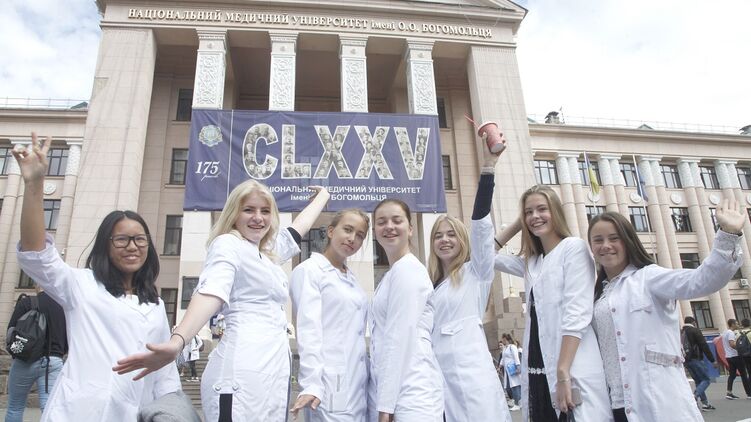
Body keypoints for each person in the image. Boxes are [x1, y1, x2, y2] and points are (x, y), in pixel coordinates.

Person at [114, 180, 330, 421]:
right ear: (234, 213)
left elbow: (297, 229)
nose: (258, 218)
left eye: (265, 211)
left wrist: (324, 196)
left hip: (272, 373)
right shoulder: (228, 244)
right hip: (240, 374)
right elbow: (212, 292)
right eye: (248, 210)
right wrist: (178, 341)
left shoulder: (266, 252)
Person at [13, 133, 181, 421]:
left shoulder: (154, 304)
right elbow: (36, 254)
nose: (132, 247)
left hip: (133, 413)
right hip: (80, 412)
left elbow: (164, 375)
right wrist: (34, 185)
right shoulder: (82, 285)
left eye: (140, 239)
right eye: (122, 240)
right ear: (106, 245)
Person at [587, 205, 745, 421]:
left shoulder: (649, 278)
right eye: (598, 240)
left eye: (614, 238)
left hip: (658, 401)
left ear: (628, 241)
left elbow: (701, 280)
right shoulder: (598, 294)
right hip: (615, 404)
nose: (606, 246)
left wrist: (728, 234)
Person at [494, 185, 611, 422]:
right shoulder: (532, 262)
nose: (535, 216)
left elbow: (577, 314)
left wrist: (563, 371)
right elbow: (484, 257)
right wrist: (519, 223)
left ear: (555, 211)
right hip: (537, 368)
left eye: (542, 209)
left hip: (570, 366)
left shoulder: (574, 248)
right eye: (529, 212)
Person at [427, 135, 510, 422]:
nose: (445, 240)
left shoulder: (476, 272)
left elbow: (482, 228)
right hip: (439, 384)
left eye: (451, 234)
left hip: (472, 383)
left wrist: (488, 167)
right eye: (438, 236)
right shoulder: (430, 285)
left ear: (463, 239)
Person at [289, 209, 371, 421]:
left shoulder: (351, 278)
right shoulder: (309, 271)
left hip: (358, 384)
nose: (352, 239)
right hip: (329, 385)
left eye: (360, 235)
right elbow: (308, 331)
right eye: (348, 230)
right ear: (331, 231)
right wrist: (311, 384)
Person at [370, 199, 444, 422]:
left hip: (413, 394)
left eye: (396, 220)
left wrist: (385, 406)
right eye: (381, 222)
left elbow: (398, 336)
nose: (389, 227)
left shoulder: (408, 270)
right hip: (399, 392)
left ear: (410, 229)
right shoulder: (393, 273)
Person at [5, 287, 67, 422]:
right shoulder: (65, 307)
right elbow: (71, 338)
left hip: (24, 360)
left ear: (38, 286)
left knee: (15, 407)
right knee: (50, 408)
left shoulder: (26, 302)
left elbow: (10, 334)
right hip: (53, 361)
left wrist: (15, 354)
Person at [681, 316, 717, 411]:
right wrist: (712, 360)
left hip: (686, 360)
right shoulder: (695, 331)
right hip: (696, 358)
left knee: (698, 381)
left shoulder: (681, 332)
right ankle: (695, 396)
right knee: (706, 379)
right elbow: (704, 345)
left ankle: (705, 403)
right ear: (693, 322)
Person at [721, 318, 751, 399]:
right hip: (735, 356)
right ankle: (749, 393)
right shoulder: (731, 333)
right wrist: (741, 348)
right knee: (744, 374)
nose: (738, 325)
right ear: (732, 324)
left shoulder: (724, 332)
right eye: (736, 323)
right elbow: (732, 344)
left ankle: (729, 392)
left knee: (732, 375)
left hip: (728, 356)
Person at [500, 333, 522, 412]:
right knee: (510, 387)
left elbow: (516, 357)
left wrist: (518, 367)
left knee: (515, 386)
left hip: (513, 369)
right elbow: (503, 359)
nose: (502, 340)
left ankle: (517, 404)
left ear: (506, 339)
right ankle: (518, 402)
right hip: (507, 371)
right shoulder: (505, 348)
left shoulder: (512, 347)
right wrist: (500, 366)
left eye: (503, 339)